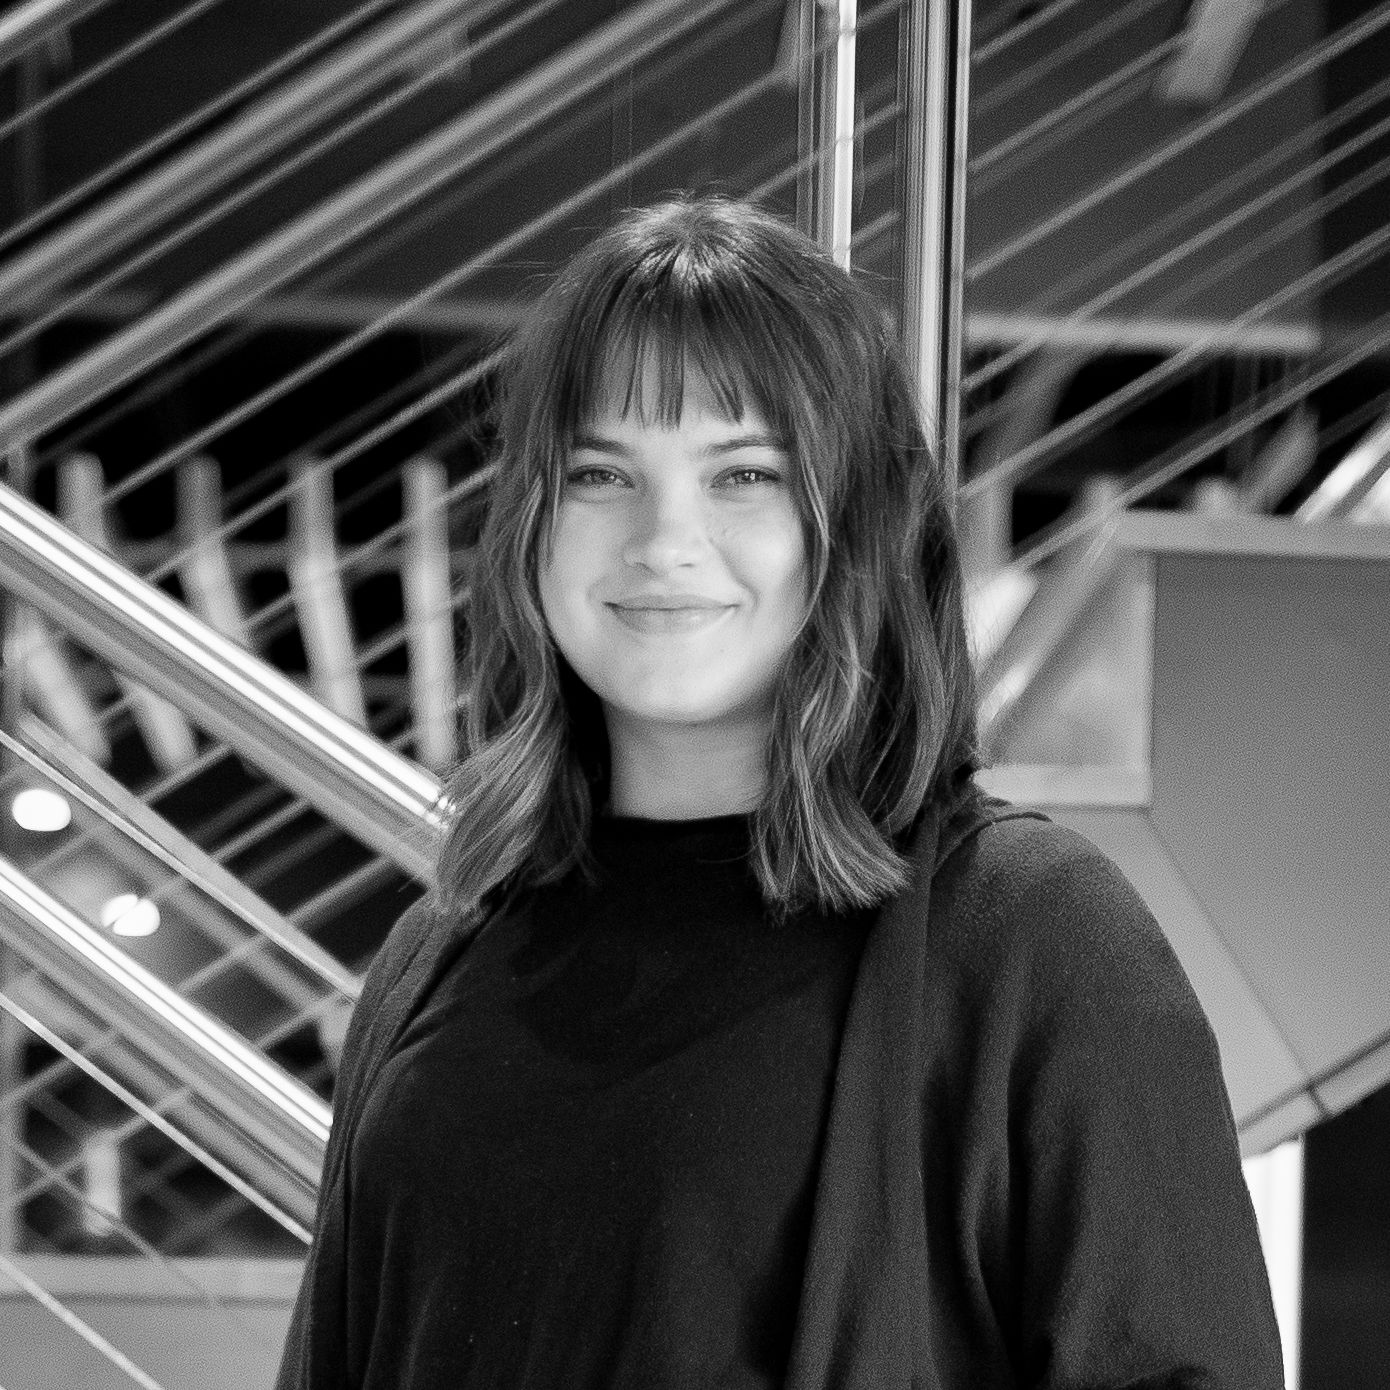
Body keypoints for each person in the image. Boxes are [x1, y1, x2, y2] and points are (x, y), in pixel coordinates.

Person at [277, 196, 1284, 1389]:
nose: (663, 539)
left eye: (743, 472)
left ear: (852, 523)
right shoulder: (431, 956)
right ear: (530, 523)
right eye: (599, 472)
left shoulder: (1033, 937)